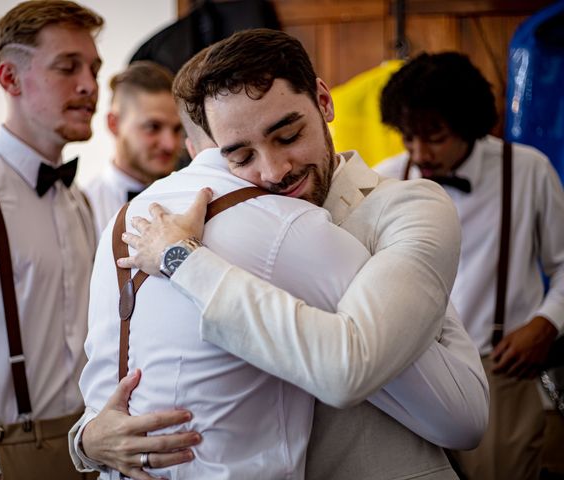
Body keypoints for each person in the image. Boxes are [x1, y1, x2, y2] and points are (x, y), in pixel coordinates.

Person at [72, 29, 489, 480]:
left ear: (324, 103)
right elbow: (144, 363)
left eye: (288, 136)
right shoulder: (206, 221)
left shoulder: (409, 207)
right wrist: (89, 439)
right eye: (241, 154)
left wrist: (183, 262)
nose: (274, 171)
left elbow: (452, 415)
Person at [0, 2, 191, 479]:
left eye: (93, 68)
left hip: (87, 443)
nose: (89, 85)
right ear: (10, 78)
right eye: (68, 68)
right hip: (1, 451)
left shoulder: (78, 201)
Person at [374, 52, 564, 480]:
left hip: (498, 368)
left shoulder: (527, 170)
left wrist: (546, 323)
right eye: (408, 137)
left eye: (435, 136)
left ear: (468, 124)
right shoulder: (386, 179)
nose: (419, 152)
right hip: (411, 371)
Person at [84, 61, 184, 237]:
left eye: (177, 129)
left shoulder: (192, 198)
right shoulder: (84, 207)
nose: (170, 144)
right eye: (153, 127)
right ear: (114, 124)